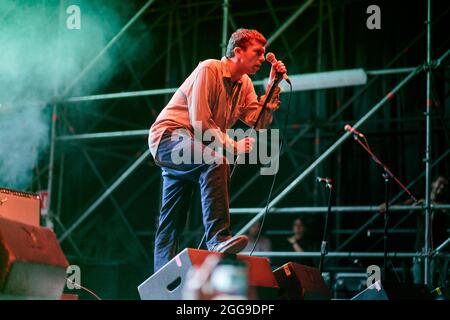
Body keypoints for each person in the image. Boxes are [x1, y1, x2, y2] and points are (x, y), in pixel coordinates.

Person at [148, 28, 286, 272]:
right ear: (238, 52)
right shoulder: (209, 69)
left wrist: (274, 86)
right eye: (258, 52)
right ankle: (219, 239)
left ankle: (161, 284)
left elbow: (259, 121)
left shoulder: (244, 83)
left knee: (171, 220)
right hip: (169, 137)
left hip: (192, 146)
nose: (263, 58)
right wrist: (233, 145)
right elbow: (200, 122)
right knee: (216, 161)